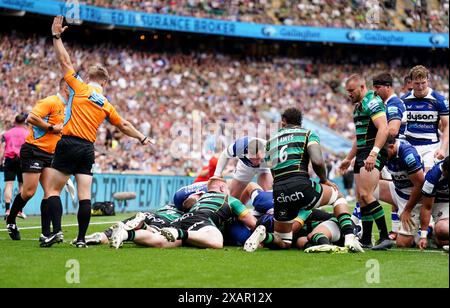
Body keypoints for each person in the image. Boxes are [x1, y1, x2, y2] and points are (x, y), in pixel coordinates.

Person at [44, 16, 153, 248]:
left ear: (90, 77)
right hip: (87, 149)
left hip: (69, 142)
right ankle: (81, 239)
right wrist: (142, 137)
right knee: (85, 196)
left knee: (52, 189)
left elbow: (64, 61)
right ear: (105, 82)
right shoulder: (105, 103)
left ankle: (56, 232)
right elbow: (123, 125)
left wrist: (56, 36)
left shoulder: (79, 87)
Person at [244, 107, 362, 253]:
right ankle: (350, 236)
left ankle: (264, 236)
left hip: (280, 191)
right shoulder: (307, 134)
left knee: (285, 241)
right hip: (301, 184)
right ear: (300, 122)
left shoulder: (270, 142)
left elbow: (273, 170)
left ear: (283, 122)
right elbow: (318, 161)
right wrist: (324, 180)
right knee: (337, 196)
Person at [6, 79, 68, 245]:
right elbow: (32, 118)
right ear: (65, 87)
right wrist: (50, 128)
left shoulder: (67, 108)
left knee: (50, 192)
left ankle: (46, 234)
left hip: (50, 154)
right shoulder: (50, 101)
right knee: (29, 192)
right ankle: (11, 220)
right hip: (34, 150)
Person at [339, 74, 391, 250]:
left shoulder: (373, 102)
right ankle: (367, 238)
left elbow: (384, 129)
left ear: (362, 87)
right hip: (362, 151)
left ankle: (384, 236)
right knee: (362, 198)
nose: (349, 94)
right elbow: (359, 137)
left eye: (352, 91)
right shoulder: (358, 107)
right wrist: (348, 158)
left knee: (366, 193)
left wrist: (374, 153)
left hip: (372, 151)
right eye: (347, 91)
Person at [158, 177, 258, 249]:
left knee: (161, 241)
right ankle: (179, 233)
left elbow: (188, 200)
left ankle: (145, 229)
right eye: (228, 189)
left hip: (184, 218)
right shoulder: (229, 199)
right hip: (202, 219)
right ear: (222, 188)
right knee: (217, 241)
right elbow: (253, 223)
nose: (229, 192)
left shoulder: (200, 197)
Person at [375, 136, 425, 248]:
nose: (381, 156)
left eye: (383, 152)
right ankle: (362, 233)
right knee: (366, 189)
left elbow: (420, 184)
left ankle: (425, 231)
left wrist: (407, 210)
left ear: (392, 147)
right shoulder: (384, 150)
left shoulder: (407, 154)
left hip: (412, 196)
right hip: (397, 190)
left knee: (402, 243)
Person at [402, 65, 449, 171]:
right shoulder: (404, 100)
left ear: (428, 80)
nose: (420, 87)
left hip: (431, 147)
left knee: (426, 179)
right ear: (411, 82)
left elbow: (447, 126)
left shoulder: (439, 99)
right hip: (409, 147)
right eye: (417, 83)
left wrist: (443, 149)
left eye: (423, 83)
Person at [1, 114, 29, 220]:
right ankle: (19, 210)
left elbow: (3, 147)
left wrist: (1, 160)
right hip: (22, 159)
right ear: (24, 122)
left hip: (9, 159)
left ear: (15, 121)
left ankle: (8, 210)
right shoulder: (28, 133)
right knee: (22, 185)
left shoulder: (7, 133)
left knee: (9, 184)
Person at [418, 156, 449, 250]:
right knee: (442, 229)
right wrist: (423, 236)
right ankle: (430, 231)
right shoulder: (432, 177)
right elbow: (426, 207)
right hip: (440, 203)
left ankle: (434, 235)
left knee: (442, 242)